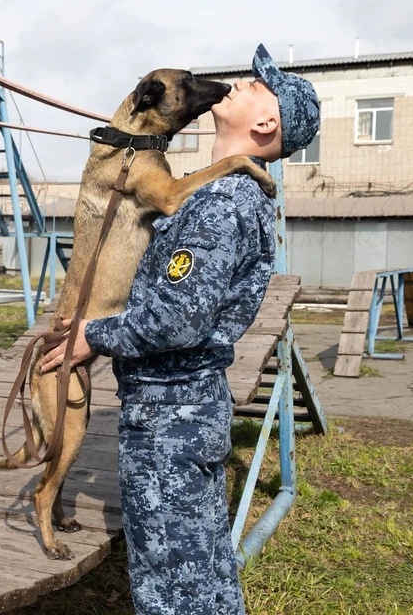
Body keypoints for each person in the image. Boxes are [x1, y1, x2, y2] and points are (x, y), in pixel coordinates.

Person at [39, 44, 320, 615]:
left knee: (172, 592)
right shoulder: (220, 194)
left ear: (267, 123)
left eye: (258, 86)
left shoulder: (218, 204)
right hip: (182, 412)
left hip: (170, 420)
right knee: (201, 579)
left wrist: (94, 335)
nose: (240, 83)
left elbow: (176, 317)